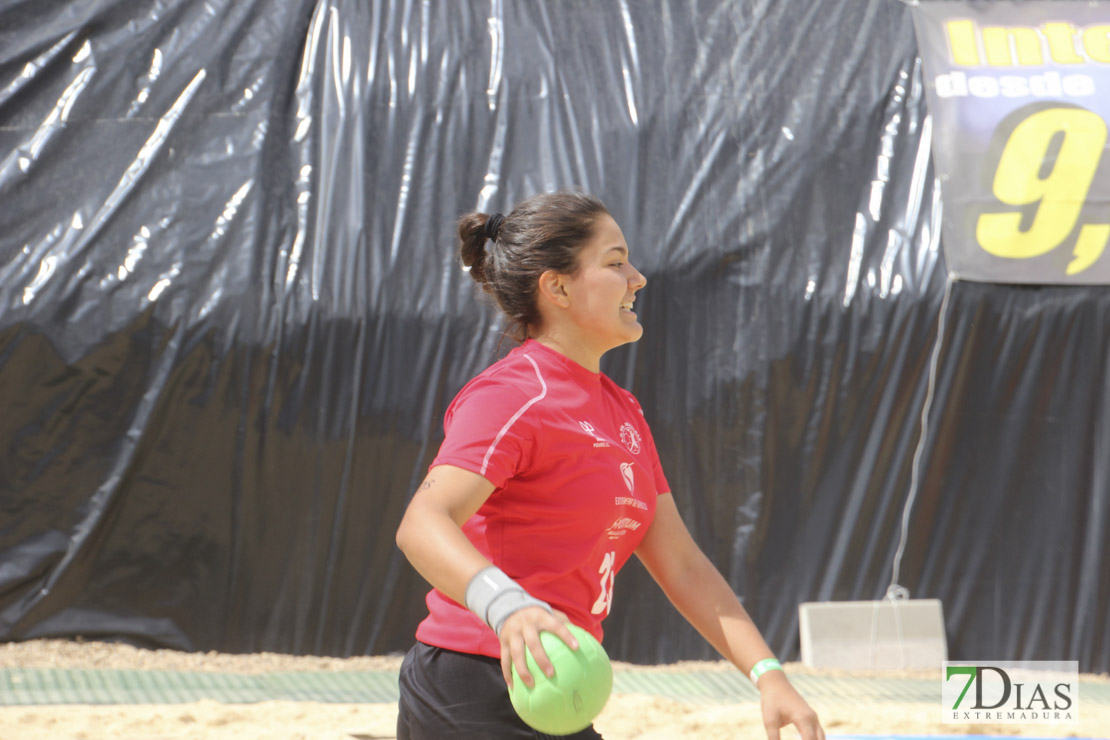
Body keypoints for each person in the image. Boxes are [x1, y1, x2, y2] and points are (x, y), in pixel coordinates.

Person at [395, 190, 825, 740]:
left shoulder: (624, 411)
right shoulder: (512, 395)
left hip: (561, 688)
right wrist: (508, 607)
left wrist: (768, 675)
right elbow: (422, 523)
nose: (638, 278)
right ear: (558, 287)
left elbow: (683, 565)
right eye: (616, 263)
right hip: (473, 682)